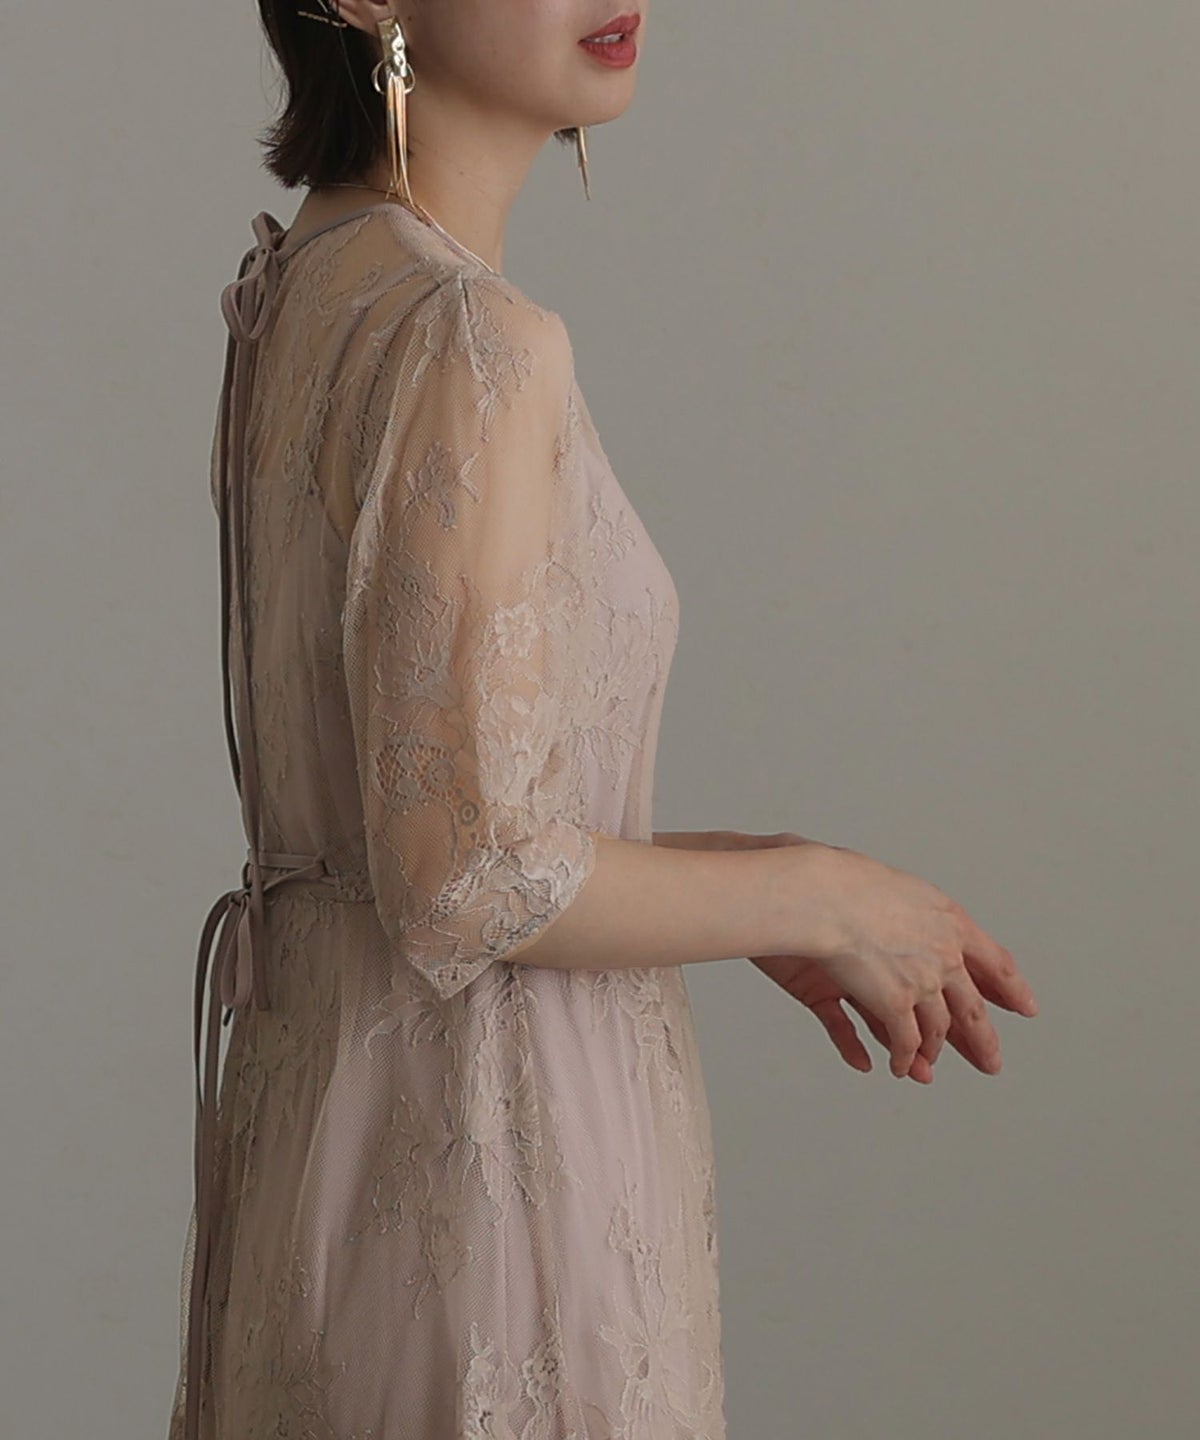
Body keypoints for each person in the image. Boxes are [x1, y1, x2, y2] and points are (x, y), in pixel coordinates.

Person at [166, 3, 1040, 1437]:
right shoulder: (469, 335)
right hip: (496, 1172)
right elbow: (466, 876)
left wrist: (737, 879)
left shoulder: (296, 290)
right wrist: (820, 894)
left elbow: (406, 821)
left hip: (326, 1154)